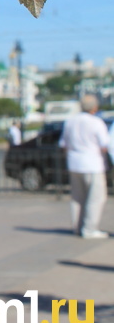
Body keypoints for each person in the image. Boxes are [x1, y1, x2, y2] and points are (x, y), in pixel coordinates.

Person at [59, 95, 110, 239]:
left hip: (74, 163)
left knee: (77, 198)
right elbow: (104, 145)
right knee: (96, 198)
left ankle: (78, 226)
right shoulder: (96, 122)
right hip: (92, 164)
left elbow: (63, 144)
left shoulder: (70, 121)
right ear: (95, 107)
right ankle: (89, 228)